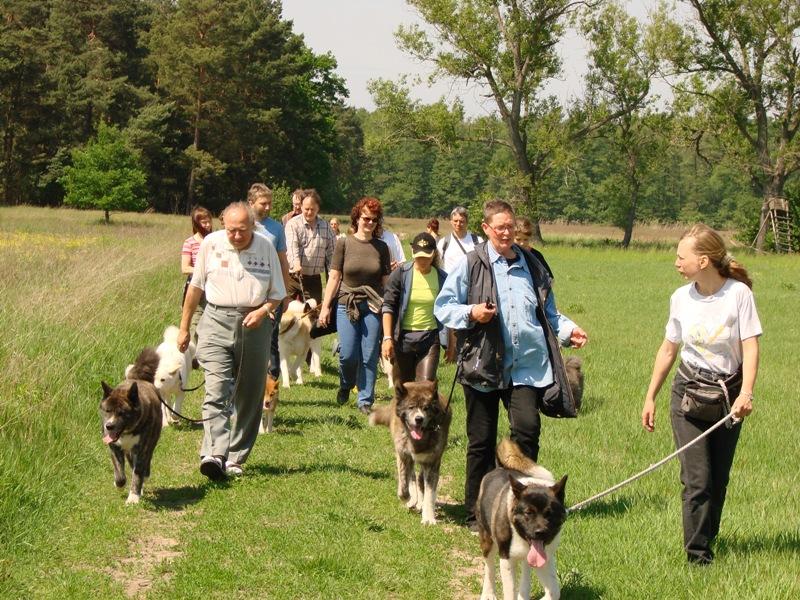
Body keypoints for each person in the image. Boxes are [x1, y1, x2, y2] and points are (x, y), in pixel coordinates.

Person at [434, 199, 588, 531]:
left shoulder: (532, 264)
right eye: (499, 227)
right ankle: (477, 513)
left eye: (510, 226)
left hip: (527, 367)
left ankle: (525, 506)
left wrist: (568, 330)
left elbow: (547, 313)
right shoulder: (472, 264)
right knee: (481, 441)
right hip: (484, 365)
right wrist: (471, 313)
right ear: (486, 229)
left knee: (526, 432)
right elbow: (443, 306)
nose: (506, 232)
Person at [641, 224, 761, 565]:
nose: (677, 263)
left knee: (718, 480)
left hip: (728, 396)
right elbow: (668, 350)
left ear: (703, 260)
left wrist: (746, 394)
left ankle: (708, 538)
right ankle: (697, 557)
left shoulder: (739, 295)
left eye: (682, 257)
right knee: (697, 479)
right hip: (688, 395)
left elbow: (750, 347)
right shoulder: (680, 298)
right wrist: (650, 396)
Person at [178, 202, 286, 481]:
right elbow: (196, 287)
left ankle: (236, 457)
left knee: (249, 394)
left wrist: (263, 311)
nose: (236, 236)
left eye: (242, 230)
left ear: (252, 226)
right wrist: (184, 327)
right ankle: (214, 454)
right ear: (223, 225)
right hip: (215, 320)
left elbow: (278, 294)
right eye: (231, 230)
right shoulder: (211, 245)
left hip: (255, 324)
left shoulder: (265, 247)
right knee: (216, 388)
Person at [318, 197, 392, 414]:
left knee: (369, 355)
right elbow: (334, 277)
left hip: (372, 305)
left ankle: (365, 400)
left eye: (374, 220)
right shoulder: (344, 243)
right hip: (345, 304)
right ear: (357, 218)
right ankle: (345, 384)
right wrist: (325, 307)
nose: (369, 223)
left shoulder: (382, 247)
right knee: (348, 354)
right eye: (366, 218)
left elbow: (386, 282)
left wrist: (390, 308)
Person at [381, 232, 447, 385]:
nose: (422, 260)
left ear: (434, 254)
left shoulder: (443, 278)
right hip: (403, 339)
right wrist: (387, 338)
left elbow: (449, 310)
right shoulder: (401, 274)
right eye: (419, 256)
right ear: (412, 252)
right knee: (403, 390)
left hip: (430, 339)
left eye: (427, 256)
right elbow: (388, 306)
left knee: (425, 387)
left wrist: (451, 343)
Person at [247, 183, 291, 382]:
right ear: (251, 203)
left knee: (271, 339)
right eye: (263, 203)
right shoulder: (243, 225)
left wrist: (285, 293)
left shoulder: (276, 228)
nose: (268, 207)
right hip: (246, 292)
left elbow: (283, 261)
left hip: (271, 293)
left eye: (270, 203)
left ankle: (271, 384)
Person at [284, 188, 336, 304]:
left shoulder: (326, 227)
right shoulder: (292, 224)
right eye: (306, 209)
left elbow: (332, 254)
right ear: (301, 207)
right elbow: (292, 246)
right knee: (286, 314)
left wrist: (332, 275)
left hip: (314, 279)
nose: (309, 212)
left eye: (313, 209)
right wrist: (296, 264)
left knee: (312, 316)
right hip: (292, 277)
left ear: (318, 208)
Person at [181, 206, 213, 342]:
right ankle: (194, 355)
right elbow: (185, 268)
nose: (207, 225)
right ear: (196, 224)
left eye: (209, 221)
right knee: (196, 321)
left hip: (214, 287)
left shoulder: (215, 240)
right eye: (203, 222)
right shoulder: (190, 242)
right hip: (197, 287)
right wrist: (203, 271)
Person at [437, 206, 483, 273]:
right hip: (451, 282)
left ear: (467, 222)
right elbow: (437, 264)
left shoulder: (478, 241)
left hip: (472, 282)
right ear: (451, 222)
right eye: (455, 221)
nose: (458, 224)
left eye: (461, 221)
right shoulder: (443, 242)